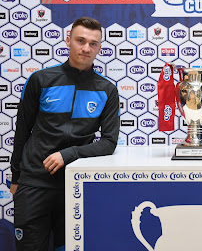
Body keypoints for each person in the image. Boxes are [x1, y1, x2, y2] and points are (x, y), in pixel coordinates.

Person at [10, 17, 120, 251]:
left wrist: (68, 154)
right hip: (34, 182)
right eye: (80, 40)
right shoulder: (41, 79)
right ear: (68, 40)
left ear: (99, 48)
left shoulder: (107, 90)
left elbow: (109, 143)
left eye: (93, 43)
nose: (86, 48)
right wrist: (16, 177)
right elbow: (22, 131)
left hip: (77, 185)